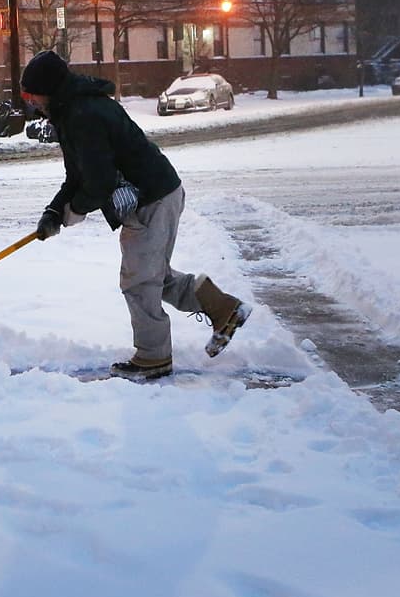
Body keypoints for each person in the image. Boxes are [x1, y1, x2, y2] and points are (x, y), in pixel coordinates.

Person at [20, 50, 250, 379]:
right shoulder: (74, 109)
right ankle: (223, 307)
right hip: (157, 193)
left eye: (32, 95)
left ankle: (153, 358)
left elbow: (97, 185)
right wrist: (54, 210)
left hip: (150, 200)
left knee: (139, 282)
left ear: (48, 89)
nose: (32, 102)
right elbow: (77, 176)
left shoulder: (82, 115)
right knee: (153, 277)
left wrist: (71, 213)